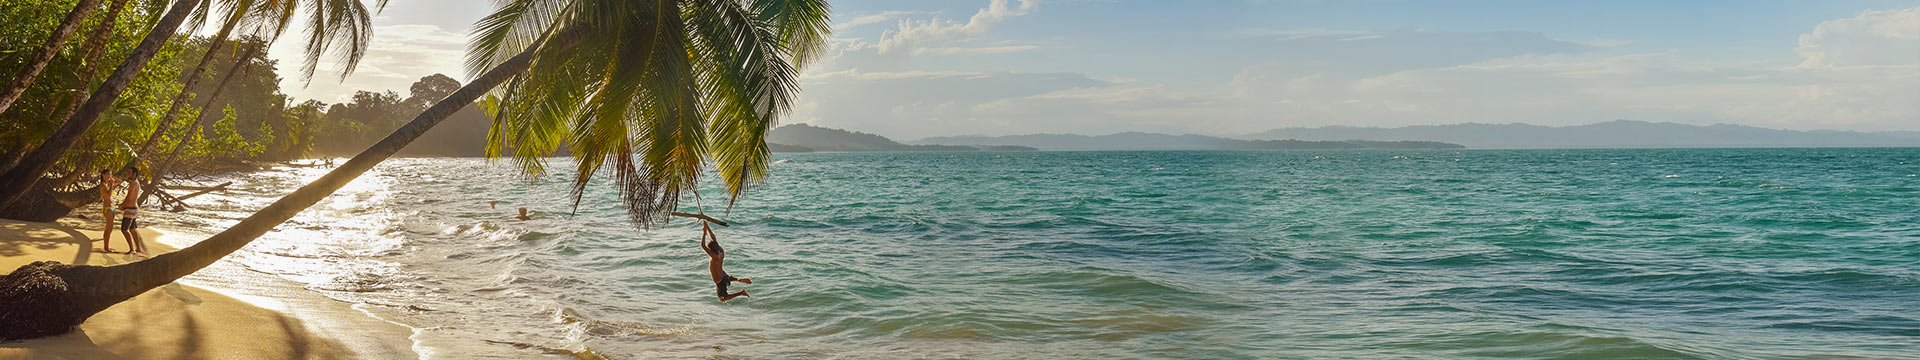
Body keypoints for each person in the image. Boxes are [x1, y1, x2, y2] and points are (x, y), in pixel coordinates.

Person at [700, 222, 750, 301]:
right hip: (724, 275)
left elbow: (703, 245)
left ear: (711, 250)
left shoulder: (714, 257)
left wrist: (704, 233)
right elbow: (714, 238)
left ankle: (741, 293)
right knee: (727, 278)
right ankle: (737, 279)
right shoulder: (721, 251)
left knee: (722, 298)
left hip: (720, 280)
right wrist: (707, 227)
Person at [118, 168, 147, 256]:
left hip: (130, 208)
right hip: (134, 209)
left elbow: (129, 197)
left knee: (124, 229)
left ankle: (132, 249)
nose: (128, 174)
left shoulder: (133, 183)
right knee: (132, 229)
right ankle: (138, 248)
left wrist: (122, 205)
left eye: (130, 172)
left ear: (134, 174)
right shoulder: (137, 183)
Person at [97, 169, 118, 252]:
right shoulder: (102, 185)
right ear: (103, 175)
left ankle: (107, 246)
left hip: (112, 207)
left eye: (111, 174)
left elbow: (119, 181)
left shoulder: (107, 184)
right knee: (108, 228)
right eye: (108, 174)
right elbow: (108, 196)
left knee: (111, 228)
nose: (109, 176)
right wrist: (112, 183)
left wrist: (111, 177)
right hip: (107, 208)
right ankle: (106, 247)